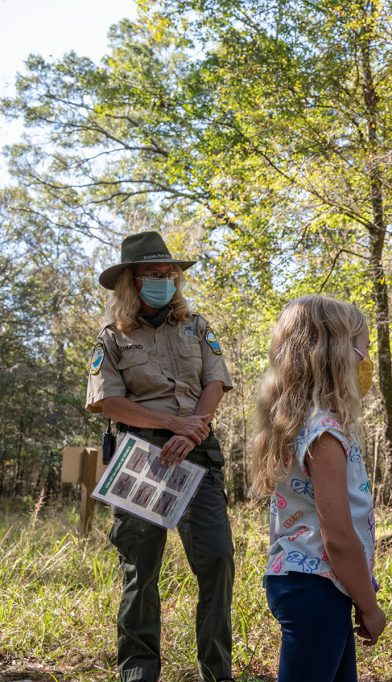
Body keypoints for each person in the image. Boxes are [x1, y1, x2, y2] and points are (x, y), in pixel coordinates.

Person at [86, 231, 235, 682]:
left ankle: (216, 671)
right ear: (132, 282)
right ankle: (138, 672)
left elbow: (216, 382)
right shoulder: (112, 337)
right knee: (141, 568)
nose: (164, 280)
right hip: (140, 457)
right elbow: (104, 401)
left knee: (218, 560)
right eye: (154, 274)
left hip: (197, 452)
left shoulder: (197, 326)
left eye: (169, 274)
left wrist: (193, 431)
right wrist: (171, 425)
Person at [251, 295, 386, 682]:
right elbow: (339, 537)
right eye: (363, 348)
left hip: (314, 586)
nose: (367, 360)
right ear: (335, 354)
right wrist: (369, 604)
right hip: (317, 590)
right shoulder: (324, 434)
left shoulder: (304, 424)